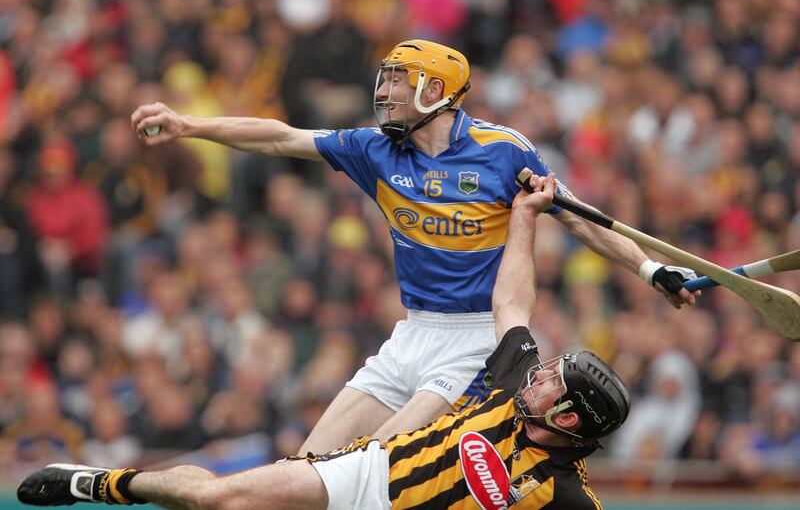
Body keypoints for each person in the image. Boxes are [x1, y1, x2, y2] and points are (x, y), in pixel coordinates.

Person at [130, 39, 697, 454]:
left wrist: (649, 269)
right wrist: (188, 124)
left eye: (398, 81)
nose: (384, 91)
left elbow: (583, 222)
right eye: (385, 79)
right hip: (411, 331)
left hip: (478, 337)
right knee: (307, 463)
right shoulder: (374, 149)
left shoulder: (504, 151)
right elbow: (281, 137)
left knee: (375, 462)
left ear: (435, 89)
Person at [19, 174, 631, 509]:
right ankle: (102, 484)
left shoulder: (569, 501)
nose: (542, 371)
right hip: (369, 475)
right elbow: (512, 300)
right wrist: (523, 216)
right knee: (225, 501)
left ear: (570, 415)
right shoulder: (516, 378)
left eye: (555, 378)